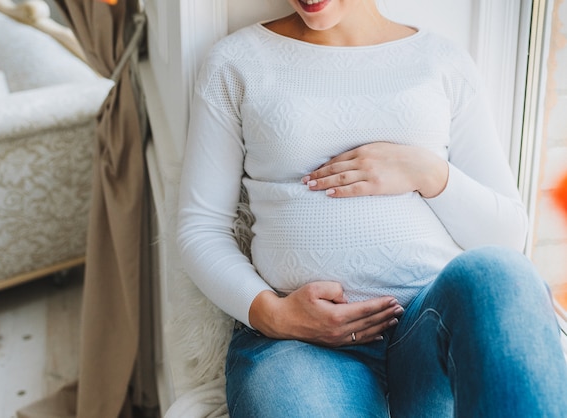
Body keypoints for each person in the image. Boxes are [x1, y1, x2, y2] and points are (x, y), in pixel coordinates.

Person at [177, 0, 567, 416]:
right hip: (297, 348)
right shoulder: (237, 62)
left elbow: (507, 234)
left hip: (429, 330)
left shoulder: (442, 62)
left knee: (499, 276)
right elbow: (201, 228)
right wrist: (273, 315)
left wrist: (429, 172)